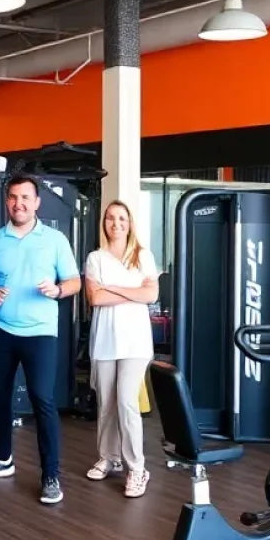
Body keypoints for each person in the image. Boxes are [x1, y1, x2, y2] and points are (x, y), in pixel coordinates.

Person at [0, 174, 81, 505]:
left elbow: (73, 281)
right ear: (8, 202)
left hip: (40, 332)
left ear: (36, 203)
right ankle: (2, 460)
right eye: (14, 198)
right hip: (1, 328)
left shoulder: (55, 240)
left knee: (43, 400)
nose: (19, 203)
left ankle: (50, 475)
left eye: (25, 198)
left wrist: (58, 290)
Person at [84, 200, 159, 498]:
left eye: (122, 219)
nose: (116, 223)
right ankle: (109, 457)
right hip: (104, 340)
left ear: (130, 224)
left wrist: (110, 287)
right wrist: (133, 292)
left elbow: (151, 293)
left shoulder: (144, 256)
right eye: (111, 218)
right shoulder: (95, 258)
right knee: (106, 403)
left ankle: (137, 468)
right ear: (104, 223)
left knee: (127, 402)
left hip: (136, 342)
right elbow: (95, 299)